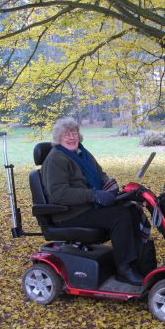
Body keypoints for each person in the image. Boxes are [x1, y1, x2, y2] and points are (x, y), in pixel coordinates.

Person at [41, 117, 144, 286]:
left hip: (89, 207)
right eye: (67, 134)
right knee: (120, 216)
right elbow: (58, 194)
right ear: (59, 137)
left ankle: (137, 261)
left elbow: (100, 174)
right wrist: (94, 195)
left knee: (131, 208)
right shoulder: (56, 159)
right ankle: (124, 270)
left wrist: (109, 185)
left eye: (74, 133)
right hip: (70, 213)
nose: (72, 137)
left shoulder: (82, 153)